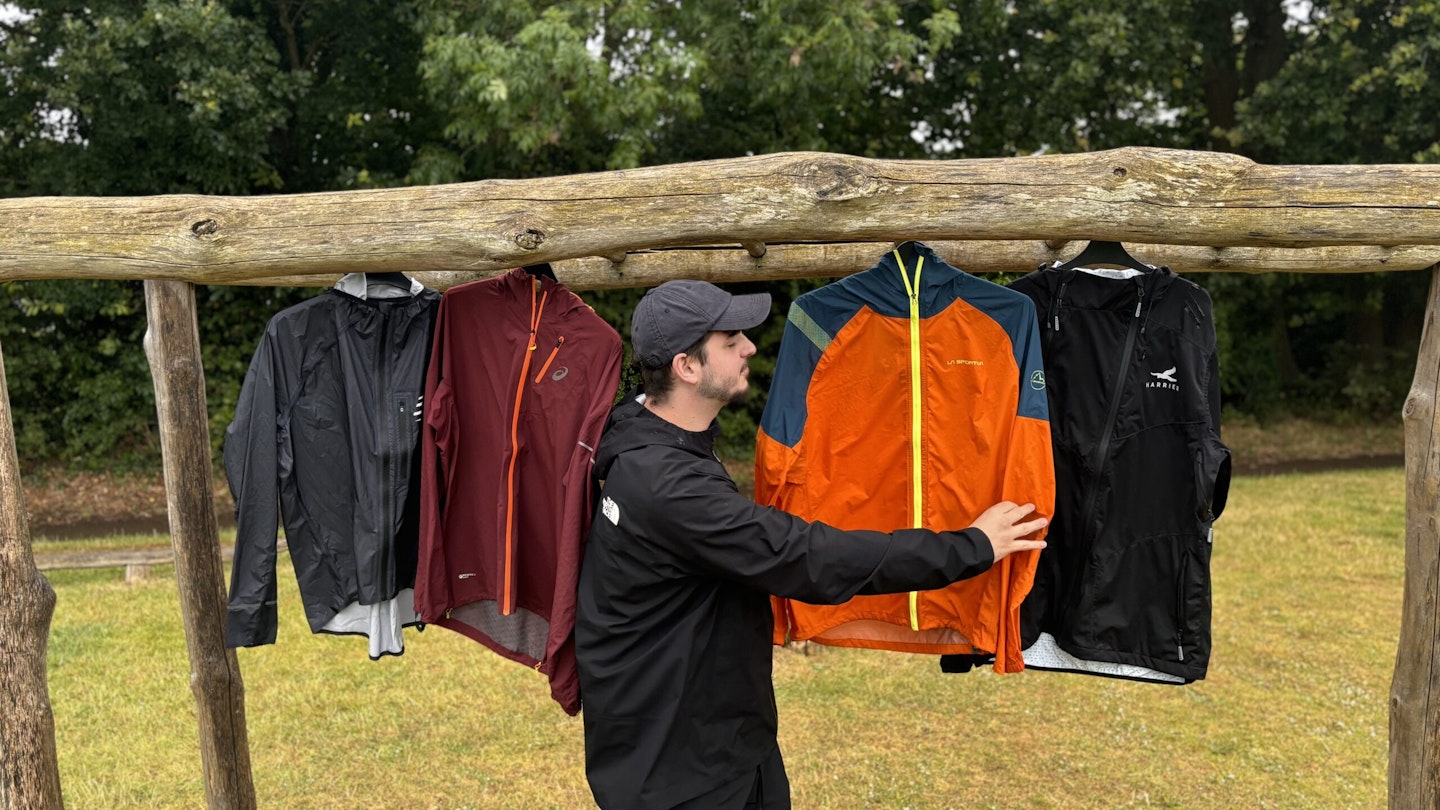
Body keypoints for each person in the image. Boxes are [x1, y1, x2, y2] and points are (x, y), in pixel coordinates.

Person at [574, 280, 1049, 810]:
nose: (750, 348)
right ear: (687, 367)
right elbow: (807, 556)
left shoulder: (652, 439)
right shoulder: (666, 483)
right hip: (678, 770)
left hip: (713, 735)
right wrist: (971, 546)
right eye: (731, 340)